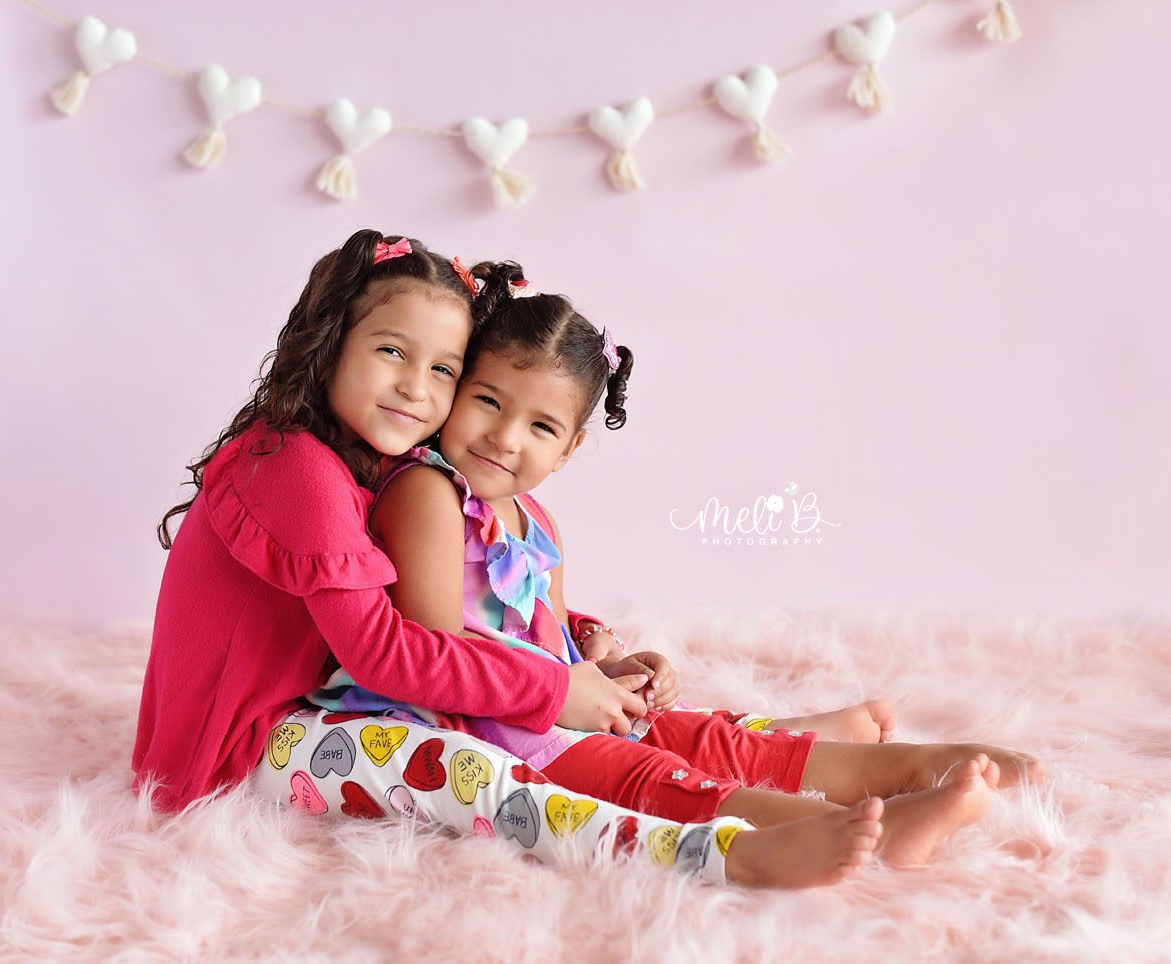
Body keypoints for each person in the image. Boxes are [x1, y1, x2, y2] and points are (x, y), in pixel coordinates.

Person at [319, 260, 1045, 880]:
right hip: (479, 725)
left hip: (540, 705)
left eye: (539, 426)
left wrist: (601, 657)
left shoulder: (531, 518)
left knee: (699, 738)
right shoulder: (428, 492)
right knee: (653, 778)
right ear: (456, 393)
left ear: (568, 449)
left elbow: (548, 635)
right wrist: (558, 693)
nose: (505, 438)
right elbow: (435, 650)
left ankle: (911, 771)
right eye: (486, 402)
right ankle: (847, 831)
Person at [134, 229, 782, 887]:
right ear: (330, 346)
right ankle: (704, 850)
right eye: (391, 351)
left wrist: (577, 640)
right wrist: (553, 689)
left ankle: (783, 767)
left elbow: (445, 596)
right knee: (463, 767)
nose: (416, 389)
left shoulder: (364, 458)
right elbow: (387, 653)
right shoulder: (295, 467)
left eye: (442, 369)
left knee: (589, 728)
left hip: (318, 706)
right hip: (233, 752)